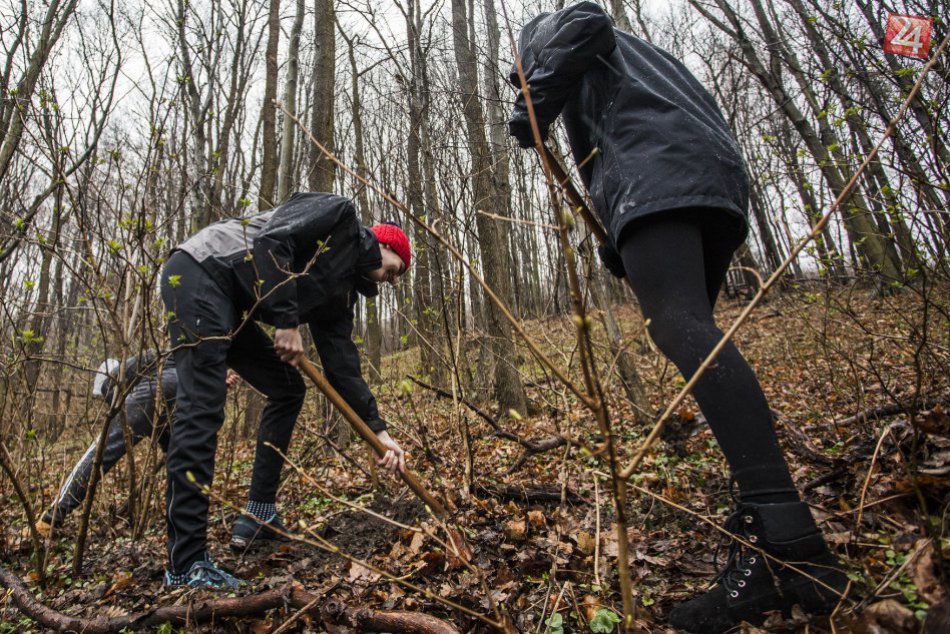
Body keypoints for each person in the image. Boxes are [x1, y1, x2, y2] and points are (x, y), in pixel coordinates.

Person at [508, 3, 846, 632]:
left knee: (679, 328)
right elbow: (636, 120)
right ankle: (774, 530)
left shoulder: (564, 35)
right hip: (706, 176)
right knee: (691, 329)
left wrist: (538, 95)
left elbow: (588, 17)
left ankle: (788, 539)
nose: (523, 75)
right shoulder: (640, 64)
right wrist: (618, 236)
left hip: (658, 173)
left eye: (520, 67)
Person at [159, 191, 409, 589]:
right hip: (200, 272)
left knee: (288, 388)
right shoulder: (339, 216)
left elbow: (343, 368)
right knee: (202, 407)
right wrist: (287, 322)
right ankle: (185, 564)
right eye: (398, 267)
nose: (395, 280)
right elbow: (271, 240)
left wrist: (379, 432)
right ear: (384, 244)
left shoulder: (341, 294)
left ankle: (258, 514)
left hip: (233, 300)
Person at [28, 353, 239, 540]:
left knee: (101, 451)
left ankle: (51, 517)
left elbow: (118, 412)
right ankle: (185, 530)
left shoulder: (119, 373)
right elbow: (162, 433)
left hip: (162, 387)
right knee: (180, 456)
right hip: (192, 389)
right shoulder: (154, 363)